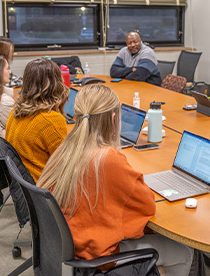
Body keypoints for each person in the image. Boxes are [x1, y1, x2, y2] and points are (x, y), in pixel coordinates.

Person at [37, 84, 193, 275]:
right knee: (184, 251)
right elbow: (147, 206)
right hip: (96, 255)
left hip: (71, 244)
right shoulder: (108, 159)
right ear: (113, 119)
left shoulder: (66, 148)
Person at [6, 58, 68, 182]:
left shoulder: (16, 112)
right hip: (47, 188)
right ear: (57, 83)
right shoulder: (52, 120)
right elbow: (66, 166)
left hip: (26, 188)